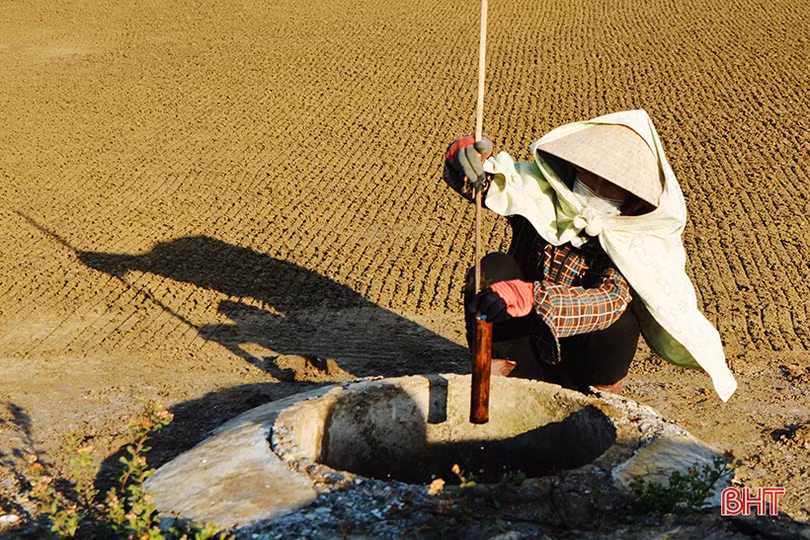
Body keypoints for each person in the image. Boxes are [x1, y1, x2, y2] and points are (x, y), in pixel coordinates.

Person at [443, 110, 737, 401]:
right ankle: (497, 380)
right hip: (523, 346)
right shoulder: (543, 195)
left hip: (582, 367)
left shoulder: (634, 239)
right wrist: (467, 162)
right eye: (589, 175)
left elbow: (610, 300)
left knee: (621, 323)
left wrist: (534, 296)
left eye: (611, 184)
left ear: (632, 196)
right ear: (574, 168)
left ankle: (603, 400)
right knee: (492, 268)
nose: (595, 188)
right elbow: (491, 186)